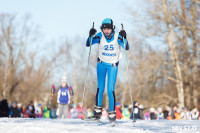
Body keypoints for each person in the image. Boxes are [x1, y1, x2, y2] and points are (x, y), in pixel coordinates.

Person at [86, 18, 129, 123]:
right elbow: (88, 44)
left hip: (112, 65)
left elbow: (126, 47)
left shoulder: (117, 36)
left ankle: (112, 113)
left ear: (112, 28)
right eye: (104, 29)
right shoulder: (100, 35)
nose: (106, 31)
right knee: (100, 87)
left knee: (110, 89)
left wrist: (124, 37)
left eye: (108, 28)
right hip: (101, 64)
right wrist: (90, 35)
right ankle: (97, 112)